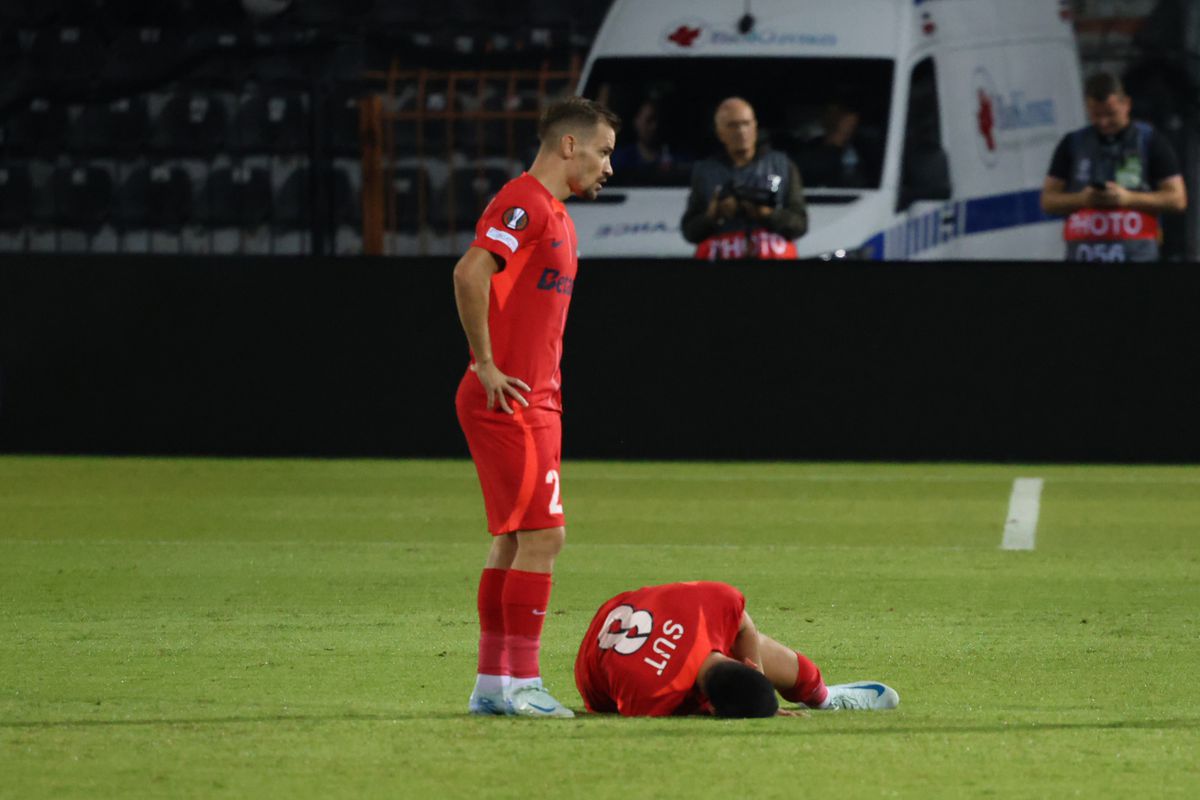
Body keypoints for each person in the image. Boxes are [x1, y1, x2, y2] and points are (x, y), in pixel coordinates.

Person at [453, 96, 619, 718]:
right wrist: (486, 364)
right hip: (512, 398)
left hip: (534, 400)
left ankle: (494, 683)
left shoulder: (556, 214)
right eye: (602, 151)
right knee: (546, 537)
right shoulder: (525, 202)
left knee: (514, 540)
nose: (609, 166)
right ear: (569, 145)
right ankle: (521, 682)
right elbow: (470, 273)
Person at [575, 581, 900, 718]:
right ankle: (816, 698)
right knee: (748, 690)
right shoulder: (652, 695)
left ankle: (825, 698)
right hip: (595, 670)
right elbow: (606, 705)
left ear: (742, 663)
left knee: (777, 664)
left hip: (629, 610)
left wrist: (757, 675)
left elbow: (744, 624)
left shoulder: (720, 601)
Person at [1040, 72, 1187, 263]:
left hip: (1137, 262)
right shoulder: (1073, 144)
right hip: (1083, 261)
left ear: (1126, 104)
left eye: (1111, 114)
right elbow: (1048, 200)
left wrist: (1128, 198)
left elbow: (1177, 199)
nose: (1103, 122)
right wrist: (1083, 199)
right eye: (1096, 115)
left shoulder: (1150, 141)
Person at [680, 97, 808, 261]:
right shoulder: (705, 172)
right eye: (732, 125)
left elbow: (800, 225)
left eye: (746, 123)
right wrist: (713, 216)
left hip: (772, 263)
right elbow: (690, 232)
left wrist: (768, 214)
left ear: (755, 127)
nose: (741, 131)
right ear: (720, 133)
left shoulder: (782, 166)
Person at [797, 103, 869, 189]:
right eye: (847, 122)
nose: (852, 127)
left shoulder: (859, 150)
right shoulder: (810, 154)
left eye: (853, 125)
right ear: (835, 121)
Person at [610, 98, 685, 176]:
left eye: (658, 120)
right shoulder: (620, 159)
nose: (655, 126)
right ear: (636, 122)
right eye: (649, 120)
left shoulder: (678, 160)